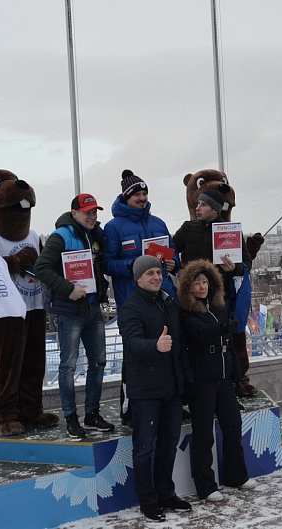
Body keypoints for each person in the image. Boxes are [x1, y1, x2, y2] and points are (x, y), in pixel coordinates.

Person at [117, 255, 193, 521]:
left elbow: (179, 346)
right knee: (144, 448)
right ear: (138, 279)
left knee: (169, 444)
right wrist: (155, 346)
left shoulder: (168, 302)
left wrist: (185, 382)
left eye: (158, 272)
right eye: (150, 273)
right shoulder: (130, 308)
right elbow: (132, 342)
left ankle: (166, 494)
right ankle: (148, 500)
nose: (156, 277)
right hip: (145, 390)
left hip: (171, 388)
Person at [103, 169, 180, 425]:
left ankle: (172, 403)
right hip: (132, 301)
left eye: (145, 194)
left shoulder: (158, 223)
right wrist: (132, 265)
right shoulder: (113, 227)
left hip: (164, 299)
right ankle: (130, 409)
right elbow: (107, 263)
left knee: (169, 350)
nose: (142, 198)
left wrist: (174, 264)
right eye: (137, 194)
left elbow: (173, 254)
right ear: (126, 197)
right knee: (136, 355)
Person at [34, 193, 114, 439]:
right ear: (74, 213)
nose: (92, 216)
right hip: (70, 311)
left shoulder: (96, 234)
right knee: (68, 366)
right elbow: (41, 268)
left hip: (93, 308)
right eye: (87, 212)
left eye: (95, 212)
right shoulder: (61, 236)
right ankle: (71, 417)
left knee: (98, 362)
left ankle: (92, 414)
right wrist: (68, 289)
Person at [177, 259, 256, 502]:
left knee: (233, 427)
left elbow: (229, 344)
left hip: (223, 379)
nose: (202, 287)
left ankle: (236, 476)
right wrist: (222, 327)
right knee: (203, 434)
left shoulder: (219, 306)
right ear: (188, 287)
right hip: (202, 380)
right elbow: (200, 332)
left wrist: (236, 375)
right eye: (196, 283)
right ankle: (206, 486)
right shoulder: (186, 312)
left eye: (205, 282)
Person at [174, 189, 256, 397]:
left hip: (221, 298)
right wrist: (172, 265)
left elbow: (246, 263)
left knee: (224, 342)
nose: (197, 208)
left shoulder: (229, 231)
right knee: (193, 343)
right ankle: (192, 389)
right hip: (192, 300)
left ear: (215, 209)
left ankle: (230, 386)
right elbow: (171, 250)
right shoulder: (188, 228)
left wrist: (235, 268)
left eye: (203, 204)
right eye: (197, 203)